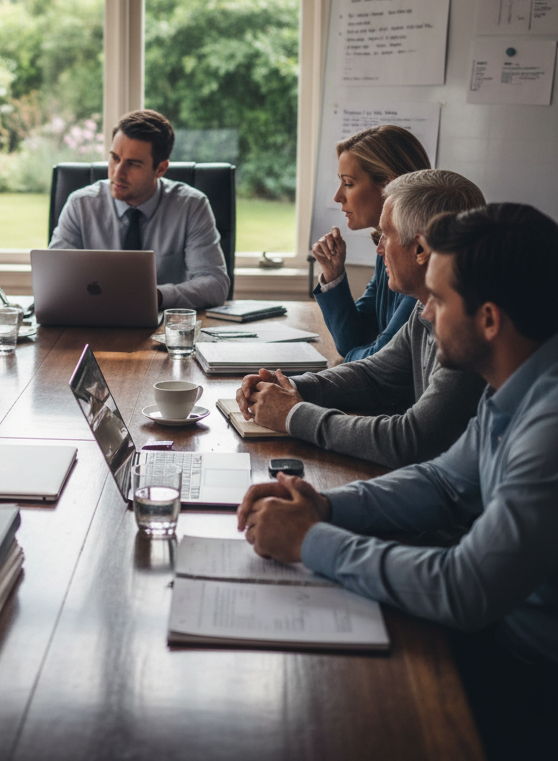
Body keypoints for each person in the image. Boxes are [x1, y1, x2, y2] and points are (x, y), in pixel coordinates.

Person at [237, 203, 558, 758]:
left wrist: (309, 540)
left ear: (488, 319)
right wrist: (325, 508)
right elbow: (441, 483)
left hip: (529, 673)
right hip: (501, 633)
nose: (424, 315)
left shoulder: (548, 425)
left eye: (437, 300)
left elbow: (465, 588)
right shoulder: (515, 383)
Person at [237, 169, 485, 467]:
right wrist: (290, 387)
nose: (379, 250)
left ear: (420, 248)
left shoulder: (468, 330)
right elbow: (373, 375)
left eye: (386, 236)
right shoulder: (425, 307)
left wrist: (292, 414)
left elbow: (411, 439)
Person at [48, 109, 229, 310]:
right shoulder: (80, 205)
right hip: (92, 325)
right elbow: (53, 280)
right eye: (115, 158)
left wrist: (155, 296)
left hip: (163, 329)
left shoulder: (191, 206)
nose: (118, 173)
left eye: (133, 164)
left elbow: (215, 284)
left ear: (160, 169)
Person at [311, 125, 431, 360]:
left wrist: (358, 356)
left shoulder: (420, 259)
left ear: (388, 186)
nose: (337, 196)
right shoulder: (385, 251)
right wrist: (333, 274)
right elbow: (354, 341)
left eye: (348, 183)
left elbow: (377, 360)